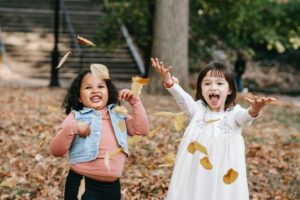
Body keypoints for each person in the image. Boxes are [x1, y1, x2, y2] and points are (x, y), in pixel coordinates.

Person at [151, 58, 276, 200]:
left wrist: (255, 109)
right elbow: (182, 98)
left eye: (220, 83)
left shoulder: (234, 114)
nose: (212, 87)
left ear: (229, 90)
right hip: (196, 171)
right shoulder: (197, 110)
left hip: (224, 173)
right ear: (201, 89)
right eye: (207, 83)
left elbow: (245, 116)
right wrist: (168, 79)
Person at [50, 66, 149, 200]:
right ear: (79, 97)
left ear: (109, 92)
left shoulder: (119, 114)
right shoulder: (76, 117)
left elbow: (141, 131)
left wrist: (135, 102)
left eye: (101, 86)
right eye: (88, 87)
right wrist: (72, 128)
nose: (95, 90)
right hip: (83, 183)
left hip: (113, 187)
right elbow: (56, 151)